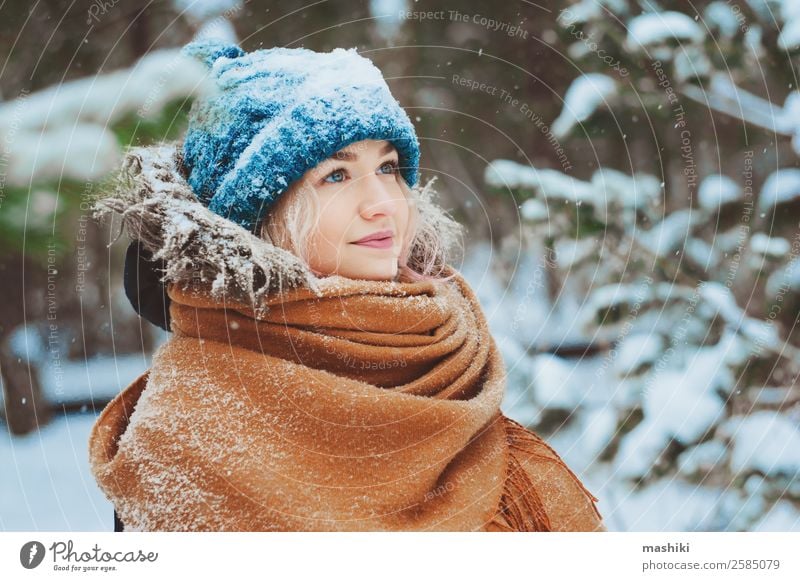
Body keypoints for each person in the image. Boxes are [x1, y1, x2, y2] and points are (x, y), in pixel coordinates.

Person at [88, 39, 606, 532]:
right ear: (257, 215)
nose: (383, 201)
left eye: (388, 166)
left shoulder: (438, 360)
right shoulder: (189, 435)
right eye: (336, 175)